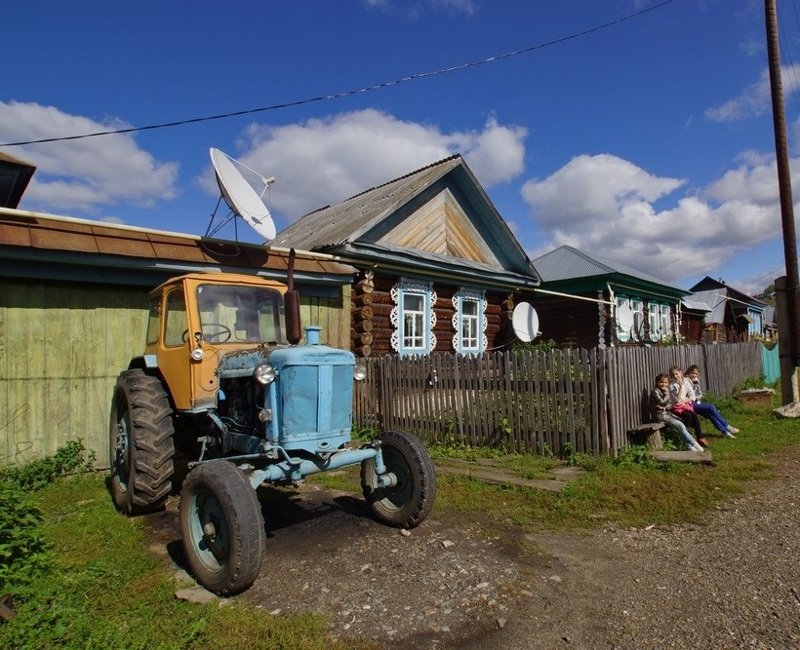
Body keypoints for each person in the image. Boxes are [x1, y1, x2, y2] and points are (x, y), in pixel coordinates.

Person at [650, 373, 704, 452]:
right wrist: (667, 395)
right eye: (661, 382)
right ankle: (694, 443)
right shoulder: (655, 392)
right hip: (659, 416)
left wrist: (664, 407)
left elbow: (670, 404)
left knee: (681, 424)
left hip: (666, 415)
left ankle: (689, 445)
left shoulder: (664, 391)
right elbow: (661, 401)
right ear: (657, 383)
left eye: (665, 382)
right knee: (680, 425)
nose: (663, 384)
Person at [685, 364, 739, 439]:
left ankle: (726, 432)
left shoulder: (694, 382)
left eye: (696, 374)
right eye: (692, 373)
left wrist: (696, 385)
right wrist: (695, 388)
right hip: (689, 404)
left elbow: (699, 395)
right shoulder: (686, 381)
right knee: (710, 407)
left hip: (696, 403)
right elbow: (691, 396)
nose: (694, 375)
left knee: (710, 414)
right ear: (688, 373)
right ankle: (727, 426)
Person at [668, 366, 709, 448]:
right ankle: (685, 437)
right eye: (673, 375)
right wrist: (680, 387)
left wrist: (684, 401)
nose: (675, 376)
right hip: (675, 408)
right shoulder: (672, 386)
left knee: (694, 415)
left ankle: (699, 437)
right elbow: (676, 401)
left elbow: (693, 396)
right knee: (688, 416)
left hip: (684, 405)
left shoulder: (686, 382)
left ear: (681, 372)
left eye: (676, 374)